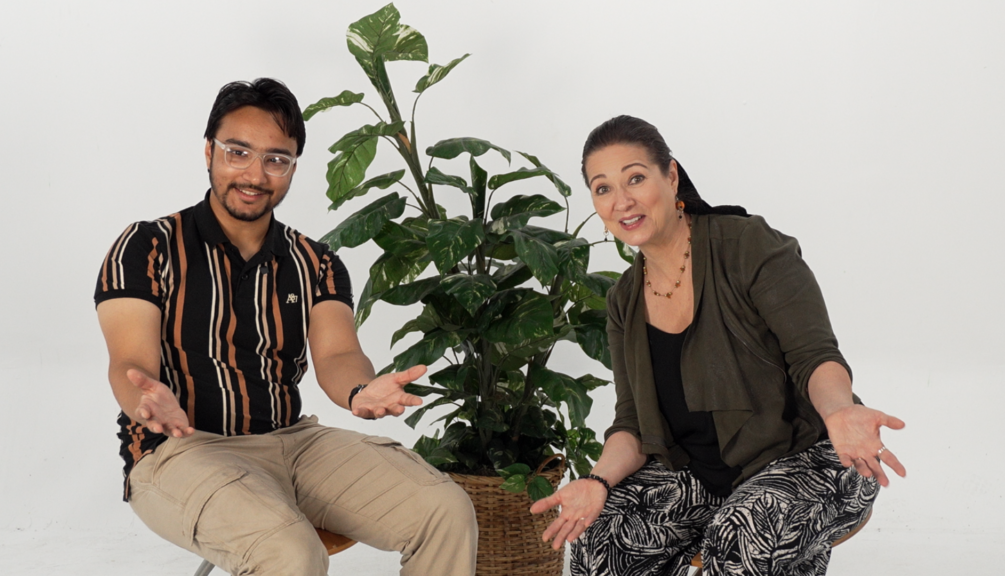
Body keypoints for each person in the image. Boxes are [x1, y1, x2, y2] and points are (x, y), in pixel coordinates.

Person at [94, 78, 477, 575]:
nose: (255, 174)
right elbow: (131, 363)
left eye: (276, 159)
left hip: (293, 442)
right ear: (208, 151)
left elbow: (338, 354)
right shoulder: (148, 246)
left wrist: (360, 390)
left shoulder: (314, 261)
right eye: (238, 152)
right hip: (181, 450)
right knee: (290, 552)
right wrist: (146, 402)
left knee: (445, 510)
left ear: (293, 167)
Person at [530, 115, 906, 576]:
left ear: (671, 176)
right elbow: (632, 422)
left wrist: (839, 411)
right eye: (602, 187)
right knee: (602, 539)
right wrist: (596, 481)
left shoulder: (748, 246)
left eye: (636, 178)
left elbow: (815, 357)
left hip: (815, 455)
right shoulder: (624, 300)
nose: (622, 200)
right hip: (702, 477)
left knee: (742, 535)